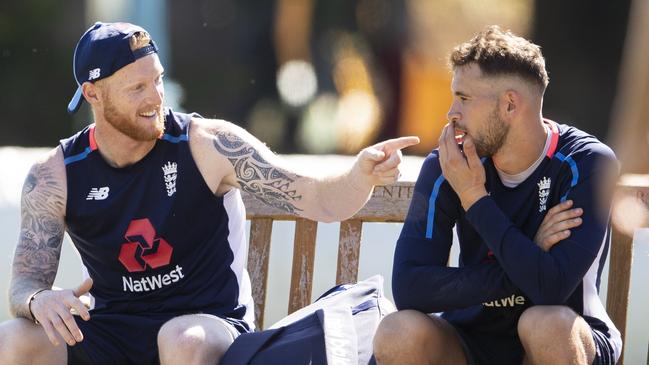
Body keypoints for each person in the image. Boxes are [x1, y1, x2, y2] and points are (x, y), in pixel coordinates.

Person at [0, 22, 419, 365]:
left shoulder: (207, 144)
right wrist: (38, 298)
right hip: (114, 329)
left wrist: (362, 175)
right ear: (93, 94)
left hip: (211, 326)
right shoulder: (55, 175)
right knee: (13, 339)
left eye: (158, 81)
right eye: (137, 89)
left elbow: (321, 200)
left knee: (181, 339)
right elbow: (24, 282)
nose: (156, 99)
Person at [373, 26, 621, 365]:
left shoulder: (586, 163)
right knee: (397, 332)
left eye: (463, 98)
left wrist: (474, 197)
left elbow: (551, 290)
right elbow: (409, 288)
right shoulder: (449, 162)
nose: (451, 114)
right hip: (470, 339)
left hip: (566, 337)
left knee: (544, 324)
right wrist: (531, 255)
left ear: (509, 105)